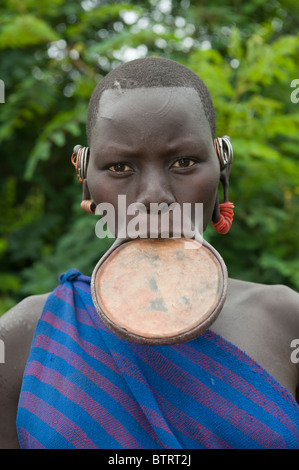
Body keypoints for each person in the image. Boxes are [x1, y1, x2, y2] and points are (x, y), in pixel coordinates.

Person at [0, 57, 299, 449]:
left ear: (222, 171)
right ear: (86, 183)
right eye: (121, 166)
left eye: (184, 162)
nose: (154, 196)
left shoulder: (286, 322)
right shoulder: (23, 339)